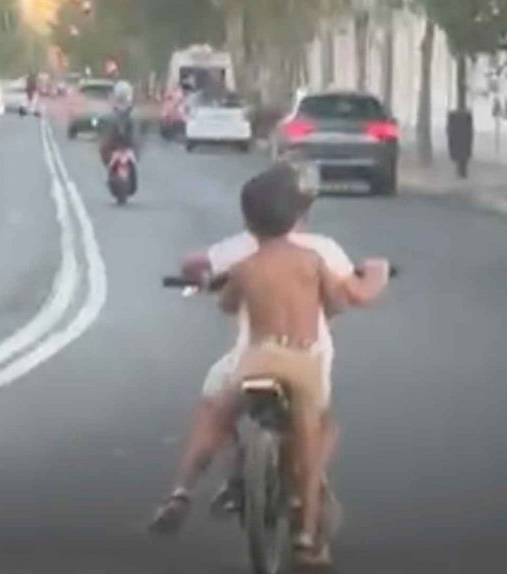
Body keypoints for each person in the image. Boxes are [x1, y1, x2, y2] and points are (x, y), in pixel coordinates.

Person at [149, 164, 390, 563]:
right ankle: (306, 526)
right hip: (307, 358)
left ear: (249, 218)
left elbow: (206, 278)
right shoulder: (321, 251)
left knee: (216, 406)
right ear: (300, 212)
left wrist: (213, 280)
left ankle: (182, 490)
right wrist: (375, 275)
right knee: (319, 428)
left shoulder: (241, 253)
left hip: (250, 356)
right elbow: (345, 297)